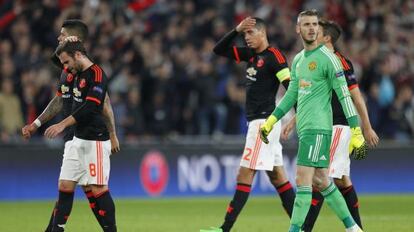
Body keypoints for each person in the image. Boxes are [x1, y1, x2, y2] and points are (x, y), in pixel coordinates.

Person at [259, 10, 366, 232]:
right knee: (322, 181)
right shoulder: (298, 60)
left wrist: (357, 130)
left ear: (318, 29)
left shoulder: (329, 59)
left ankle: (295, 230)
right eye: (306, 24)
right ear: (298, 29)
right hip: (306, 129)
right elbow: (292, 95)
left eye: (314, 24)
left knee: (302, 180)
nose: (311, 28)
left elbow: (345, 96)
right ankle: (353, 228)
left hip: (319, 128)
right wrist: (272, 120)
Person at [280, 19, 379, 232]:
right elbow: (314, 97)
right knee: (340, 180)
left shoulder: (339, 62)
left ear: (327, 38)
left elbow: (355, 96)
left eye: (318, 29)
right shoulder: (314, 60)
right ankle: (355, 228)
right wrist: (294, 119)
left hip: (337, 127)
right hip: (325, 124)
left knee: (319, 180)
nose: (313, 31)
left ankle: (306, 229)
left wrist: (365, 127)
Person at [21, 20, 119, 232]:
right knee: (67, 186)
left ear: (74, 40)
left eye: (63, 34)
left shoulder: (93, 72)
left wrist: (112, 133)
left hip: (93, 136)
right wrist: (36, 123)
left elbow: (103, 105)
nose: (59, 37)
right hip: (73, 137)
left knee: (95, 189)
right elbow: (59, 99)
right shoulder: (68, 69)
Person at [200, 17, 295, 232]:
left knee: (244, 175)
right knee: (278, 177)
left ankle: (224, 229)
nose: (246, 39)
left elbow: (292, 88)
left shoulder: (274, 57)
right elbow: (219, 50)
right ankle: (302, 226)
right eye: (244, 36)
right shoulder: (251, 56)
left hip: (264, 124)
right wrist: (236, 29)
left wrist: (294, 119)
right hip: (259, 122)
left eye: (250, 34)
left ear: (262, 32)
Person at [44, 40, 116, 232]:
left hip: (96, 140)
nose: (65, 67)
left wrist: (62, 124)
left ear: (77, 55)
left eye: (66, 62)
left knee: (98, 189)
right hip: (77, 139)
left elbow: (91, 107)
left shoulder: (97, 74)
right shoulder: (74, 74)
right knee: (65, 185)